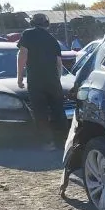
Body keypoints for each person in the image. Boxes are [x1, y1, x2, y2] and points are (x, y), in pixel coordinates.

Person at [17, 13, 66, 151]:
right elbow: (58, 63)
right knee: (58, 111)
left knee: (41, 112)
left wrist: (20, 76)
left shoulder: (28, 34)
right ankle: (63, 142)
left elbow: (23, 54)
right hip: (53, 81)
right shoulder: (52, 39)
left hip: (36, 80)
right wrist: (58, 79)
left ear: (32, 23)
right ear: (47, 24)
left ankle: (48, 142)